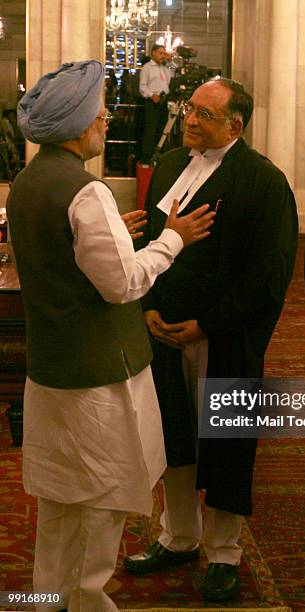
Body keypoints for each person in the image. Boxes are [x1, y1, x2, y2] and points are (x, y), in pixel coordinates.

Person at [7, 60, 215, 612]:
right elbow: (122, 286)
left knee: (59, 509)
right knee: (96, 507)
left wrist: (113, 236)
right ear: (76, 125)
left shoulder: (29, 180)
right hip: (96, 380)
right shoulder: (85, 190)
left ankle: (44, 600)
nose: (104, 118)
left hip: (54, 371)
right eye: (97, 112)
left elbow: (59, 257)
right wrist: (172, 240)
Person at [124, 77, 298, 601]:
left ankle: (224, 552)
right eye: (189, 110)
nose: (190, 120)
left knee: (225, 446)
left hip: (223, 338)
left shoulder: (264, 181)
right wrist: (148, 307)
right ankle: (177, 536)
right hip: (161, 330)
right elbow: (155, 243)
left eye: (203, 113)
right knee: (173, 438)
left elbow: (269, 275)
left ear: (236, 125)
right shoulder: (173, 165)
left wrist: (208, 323)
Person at [139, 44, 172, 164]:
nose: (163, 55)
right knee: (150, 130)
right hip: (152, 102)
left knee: (161, 129)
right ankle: (146, 157)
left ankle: (159, 156)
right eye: (160, 53)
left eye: (164, 53)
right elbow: (142, 86)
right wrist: (151, 95)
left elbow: (173, 74)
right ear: (153, 53)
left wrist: (169, 61)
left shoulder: (164, 68)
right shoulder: (147, 68)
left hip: (163, 101)